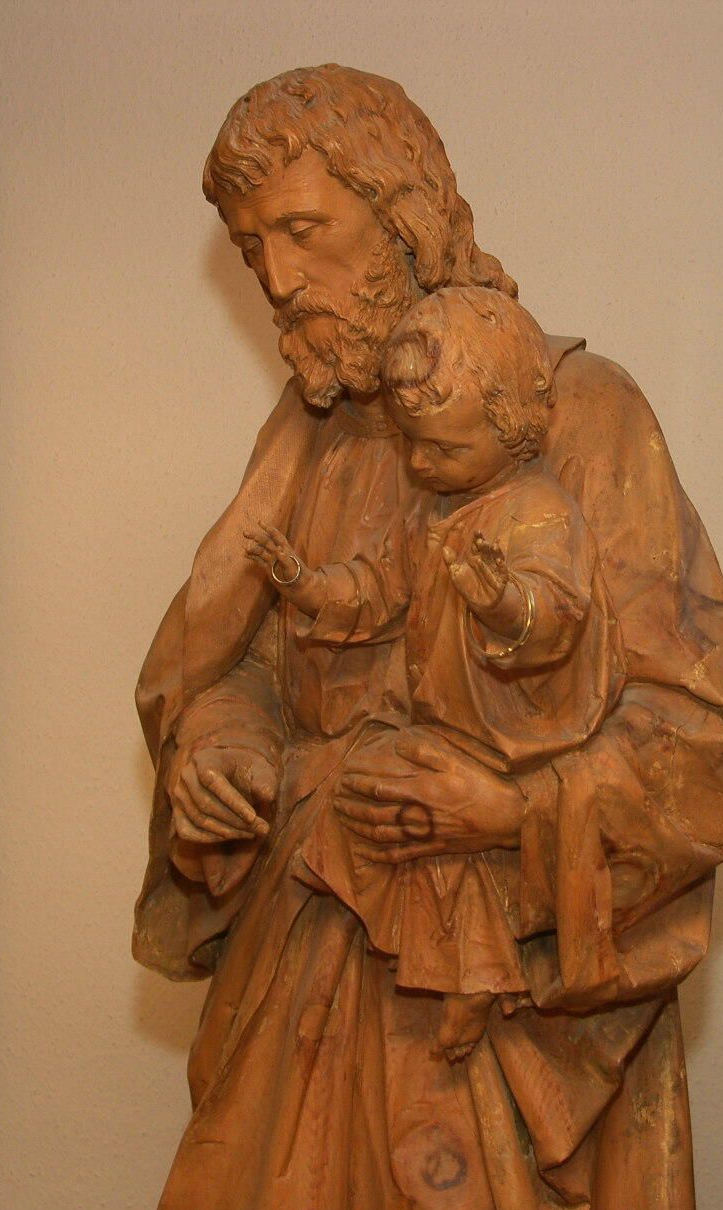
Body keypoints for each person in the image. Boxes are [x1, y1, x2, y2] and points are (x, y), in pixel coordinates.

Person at [132, 66, 723, 1210]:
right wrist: (224, 741)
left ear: (402, 217)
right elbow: (237, 659)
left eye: (303, 231)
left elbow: (694, 743)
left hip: (497, 1022)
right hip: (303, 971)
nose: (277, 279)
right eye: (252, 246)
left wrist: (513, 810)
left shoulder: (573, 413)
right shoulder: (308, 436)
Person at [240, 286, 623, 1062]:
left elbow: (558, 614)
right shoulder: (432, 510)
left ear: (513, 431)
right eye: (414, 446)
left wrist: (503, 602)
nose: (419, 464)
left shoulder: (542, 513)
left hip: (509, 730)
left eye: (443, 451)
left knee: (442, 837)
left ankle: (477, 977)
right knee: (362, 795)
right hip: (443, 719)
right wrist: (306, 584)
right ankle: (390, 946)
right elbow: (378, 587)